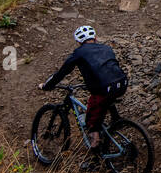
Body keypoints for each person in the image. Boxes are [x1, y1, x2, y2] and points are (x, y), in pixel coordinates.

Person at [39, 26, 128, 163]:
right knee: (105, 101)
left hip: (104, 89)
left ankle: (95, 155)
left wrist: (47, 86)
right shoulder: (106, 48)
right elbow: (105, 69)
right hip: (121, 84)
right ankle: (116, 122)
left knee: (91, 121)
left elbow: (62, 72)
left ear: (79, 42)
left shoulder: (79, 53)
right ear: (95, 38)